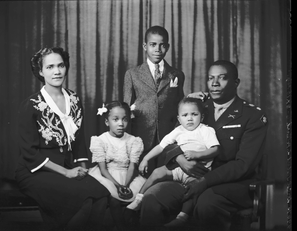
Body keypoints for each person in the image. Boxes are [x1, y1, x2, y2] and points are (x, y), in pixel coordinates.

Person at [138, 60, 268, 231]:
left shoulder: (252, 115)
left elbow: (244, 164)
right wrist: (180, 158)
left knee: (206, 205)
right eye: (210, 78)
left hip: (228, 184)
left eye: (222, 78)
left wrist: (205, 180)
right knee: (152, 198)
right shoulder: (196, 107)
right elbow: (171, 140)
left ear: (236, 83)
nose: (214, 83)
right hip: (187, 175)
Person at [15, 47, 110, 231]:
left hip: (68, 166)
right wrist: (66, 173)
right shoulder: (30, 105)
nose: (57, 71)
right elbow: (29, 154)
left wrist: (83, 170)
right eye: (50, 67)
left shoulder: (74, 99)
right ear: (40, 71)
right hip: (36, 171)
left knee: (101, 196)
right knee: (83, 202)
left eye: (60, 65)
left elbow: (78, 141)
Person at [126, 97, 220, 228]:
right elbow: (161, 146)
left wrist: (197, 154)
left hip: (198, 171)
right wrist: (146, 159)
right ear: (179, 118)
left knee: (194, 190)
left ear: (202, 117)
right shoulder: (178, 131)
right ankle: (139, 199)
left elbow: (215, 149)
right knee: (157, 172)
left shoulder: (205, 130)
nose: (190, 118)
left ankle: (183, 216)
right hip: (179, 168)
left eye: (194, 114)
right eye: (185, 115)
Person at [123, 25, 185, 176]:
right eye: (153, 45)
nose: (157, 49)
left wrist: (176, 132)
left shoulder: (176, 74)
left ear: (168, 47)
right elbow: (126, 107)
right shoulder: (132, 74)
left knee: (164, 177)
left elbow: (180, 104)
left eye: (162, 45)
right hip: (141, 134)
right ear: (145, 46)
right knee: (141, 177)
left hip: (168, 135)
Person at [88, 101, 146, 230]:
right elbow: (103, 169)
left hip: (128, 176)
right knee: (113, 199)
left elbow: (132, 166)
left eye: (124, 119)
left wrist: (125, 185)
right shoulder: (101, 140)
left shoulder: (133, 141)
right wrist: (118, 186)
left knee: (139, 196)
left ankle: (130, 223)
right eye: (115, 119)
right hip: (108, 177)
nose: (120, 123)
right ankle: (121, 227)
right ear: (107, 122)